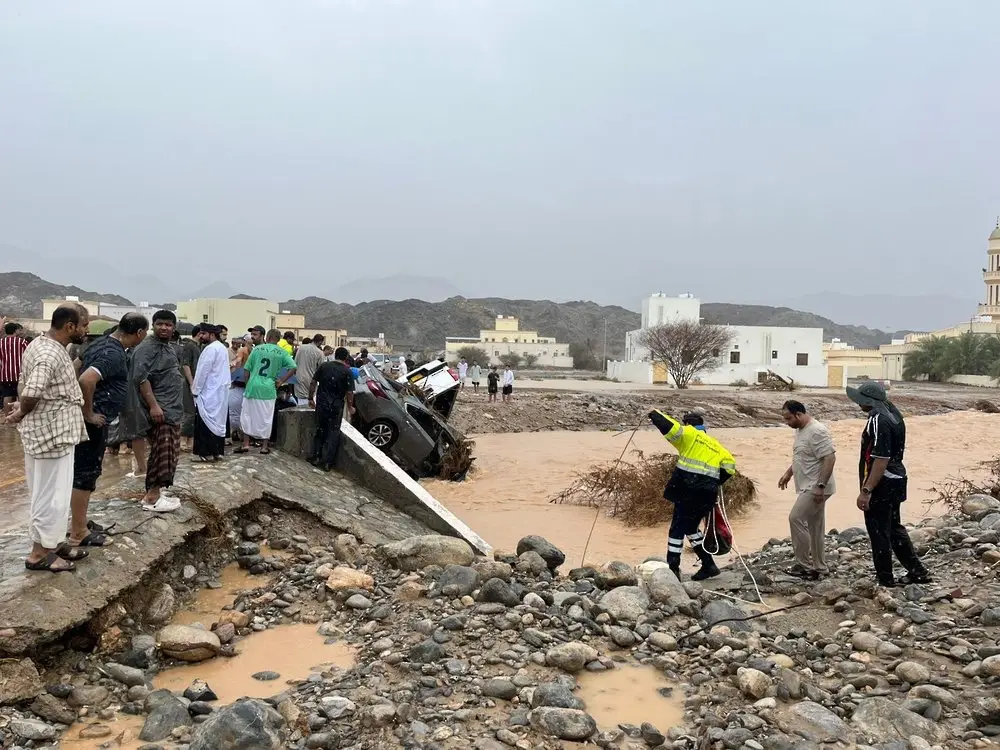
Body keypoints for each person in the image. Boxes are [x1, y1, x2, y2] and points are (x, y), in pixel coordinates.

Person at [4, 305, 90, 572]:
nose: (86, 330)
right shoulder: (48, 352)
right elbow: (32, 390)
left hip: (52, 433)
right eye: (83, 325)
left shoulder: (44, 345)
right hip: (51, 435)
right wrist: (21, 412)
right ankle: (39, 554)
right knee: (50, 496)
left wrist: (22, 410)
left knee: (53, 493)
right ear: (70, 326)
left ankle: (51, 544)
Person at [69, 313, 149, 548]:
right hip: (93, 422)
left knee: (81, 472)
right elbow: (86, 379)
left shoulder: (101, 343)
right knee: (86, 474)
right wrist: (88, 412)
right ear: (140, 333)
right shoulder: (112, 353)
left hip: (91, 419)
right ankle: (78, 533)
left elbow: (75, 367)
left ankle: (78, 522)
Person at [847, 381, 931, 587]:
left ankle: (885, 579)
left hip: (882, 483)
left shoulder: (878, 419)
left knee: (878, 531)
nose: (858, 405)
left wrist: (866, 490)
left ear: (869, 401)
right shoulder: (894, 414)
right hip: (898, 479)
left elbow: (880, 459)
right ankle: (917, 571)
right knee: (894, 527)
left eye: (861, 401)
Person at [649, 409, 736, 581]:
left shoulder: (688, 433)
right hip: (707, 493)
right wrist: (713, 483)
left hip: (688, 488)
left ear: (688, 424)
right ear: (703, 427)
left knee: (676, 529)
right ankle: (708, 564)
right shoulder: (716, 445)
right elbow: (730, 467)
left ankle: (673, 570)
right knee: (690, 527)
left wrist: (654, 413)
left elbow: (669, 427)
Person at [132, 310, 186, 513]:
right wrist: (154, 405)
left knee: (169, 452)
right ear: (153, 325)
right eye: (160, 324)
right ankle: (152, 497)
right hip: (158, 410)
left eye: (168, 325)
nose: (164, 328)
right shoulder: (146, 348)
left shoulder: (169, 348)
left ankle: (157, 492)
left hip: (172, 409)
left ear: (174, 327)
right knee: (161, 452)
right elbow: (141, 378)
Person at [778, 400, 836, 580]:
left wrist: (820, 486)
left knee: (795, 518)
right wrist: (789, 473)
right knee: (815, 527)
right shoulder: (800, 430)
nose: (787, 422)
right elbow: (802, 456)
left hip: (816, 486)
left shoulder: (817, 431)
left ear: (799, 414)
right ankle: (820, 567)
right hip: (807, 484)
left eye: (788, 418)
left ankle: (803, 565)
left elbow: (830, 458)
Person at [238, 328, 296, 455]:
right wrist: (281, 381)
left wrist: (247, 384)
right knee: (266, 417)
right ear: (278, 339)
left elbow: (247, 369)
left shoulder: (257, 349)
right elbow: (293, 367)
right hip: (269, 388)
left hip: (253, 386)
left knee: (247, 415)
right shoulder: (281, 352)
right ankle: (264, 446)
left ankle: (246, 444)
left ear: (267, 337)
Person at [308, 346, 355, 471]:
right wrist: (350, 406)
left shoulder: (324, 366)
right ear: (346, 358)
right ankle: (327, 462)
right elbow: (350, 392)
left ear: (335, 356)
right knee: (333, 433)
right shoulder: (347, 371)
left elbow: (313, 382)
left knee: (319, 429)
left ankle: (316, 457)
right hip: (336, 406)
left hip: (322, 403)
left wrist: (310, 398)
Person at [191, 324, 229, 461]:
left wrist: (195, 390)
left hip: (209, 392)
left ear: (211, 335)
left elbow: (202, 372)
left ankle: (204, 453)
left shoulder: (210, 349)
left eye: (203, 334)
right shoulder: (222, 348)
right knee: (217, 422)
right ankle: (217, 452)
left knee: (205, 422)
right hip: (220, 392)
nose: (200, 336)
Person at [179, 324, 202, 450]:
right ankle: (183, 439)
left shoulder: (198, 347)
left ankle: (190, 439)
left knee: (194, 413)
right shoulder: (189, 346)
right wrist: (191, 382)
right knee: (188, 412)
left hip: (196, 384)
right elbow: (185, 365)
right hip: (188, 383)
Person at [228, 335, 252, 443]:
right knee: (247, 413)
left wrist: (232, 369)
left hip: (239, 383)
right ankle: (245, 434)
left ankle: (237, 432)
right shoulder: (258, 350)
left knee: (234, 412)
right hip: (250, 385)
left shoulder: (243, 350)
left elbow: (237, 361)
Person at [1, 322, 28, 411]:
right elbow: (29, 354)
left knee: (7, 395)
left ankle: (7, 416)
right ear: (15, 330)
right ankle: (18, 414)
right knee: (20, 395)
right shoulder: (22, 342)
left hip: (5, 374)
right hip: (20, 374)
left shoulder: (1, 342)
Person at [294, 334, 325, 406]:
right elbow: (321, 369)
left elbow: (295, 363)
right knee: (310, 402)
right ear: (320, 342)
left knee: (300, 401)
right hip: (311, 380)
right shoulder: (320, 353)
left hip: (299, 377)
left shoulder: (301, 348)